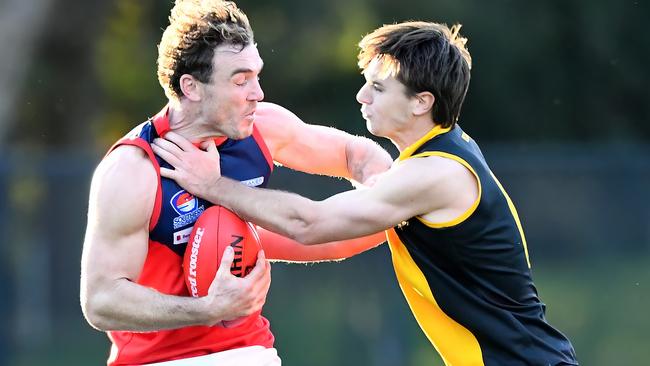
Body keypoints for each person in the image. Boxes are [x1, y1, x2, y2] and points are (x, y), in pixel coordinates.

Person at [155, 21, 580, 365]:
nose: (361, 96)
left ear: (421, 102)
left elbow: (311, 223)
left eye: (378, 88)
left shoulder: (434, 175)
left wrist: (211, 186)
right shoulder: (441, 150)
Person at [80, 1, 391, 365]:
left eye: (257, 76)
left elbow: (359, 156)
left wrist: (388, 195)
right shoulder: (133, 169)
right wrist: (207, 309)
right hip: (161, 360)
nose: (257, 93)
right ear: (191, 87)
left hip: (250, 352)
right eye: (241, 80)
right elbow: (100, 300)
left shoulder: (263, 127)